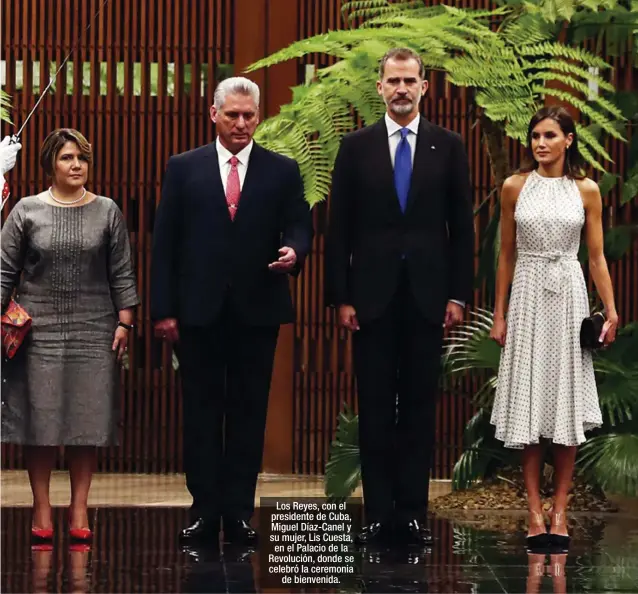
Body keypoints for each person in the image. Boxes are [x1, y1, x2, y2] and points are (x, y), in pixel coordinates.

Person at [150, 76, 313, 545]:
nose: (241, 123)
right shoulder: (183, 168)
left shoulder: (282, 170)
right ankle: (204, 510)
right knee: (200, 413)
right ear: (214, 114)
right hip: (197, 312)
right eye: (233, 115)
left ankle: (240, 513)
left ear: (259, 117)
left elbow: (301, 227)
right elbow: (165, 246)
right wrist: (164, 310)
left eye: (249, 115)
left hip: (257, 310)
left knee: (248, 413)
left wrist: (294, 252)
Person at [325, 48, 475, 546]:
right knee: (374, 408)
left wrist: (458, 294)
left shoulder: (448, 146)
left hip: (429, 297)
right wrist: (340, 297)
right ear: (380, 87)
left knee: (417, 408)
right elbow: (338, 228)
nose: (402, 89)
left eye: (410, 81)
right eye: (394, 81)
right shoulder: (355, 147)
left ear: (426, 87)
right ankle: (377, 512)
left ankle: (411, 513)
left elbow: (462, 228)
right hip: (370, 299)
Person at [1, 128, 140, 543]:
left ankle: (79, 505)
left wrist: (125, 322)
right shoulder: (26, 210)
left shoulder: (107, 211)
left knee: (87, 420)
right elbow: (4, 271)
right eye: (66, 158)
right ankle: (41, 505)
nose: (76, 165)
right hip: (37, 329)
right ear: (50, 165)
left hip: (94, 328)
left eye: (81, 157)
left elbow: (122, 272)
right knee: (40, 422)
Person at [489, 106, 618, 551]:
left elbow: (597, 256)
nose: (540, 143)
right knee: (527, 406)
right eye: (535, 136)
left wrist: (612, 309)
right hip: (526, 294)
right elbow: (505, 253)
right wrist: (499, 313)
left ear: (568, 140)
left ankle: (560, 509)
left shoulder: (587, 190)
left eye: (549, 136)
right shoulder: (513, 187)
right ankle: (532, 510)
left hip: (569, 297)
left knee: (564, 407)